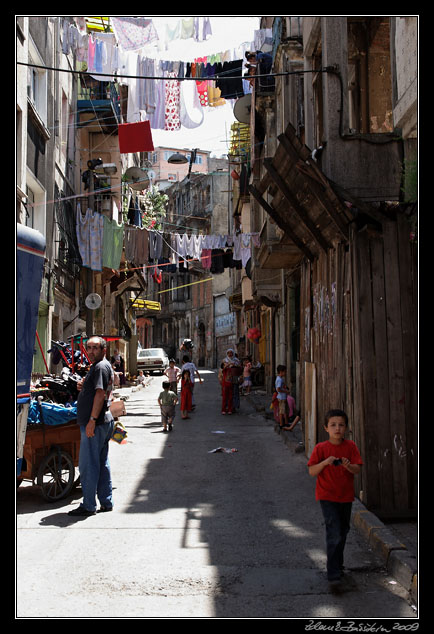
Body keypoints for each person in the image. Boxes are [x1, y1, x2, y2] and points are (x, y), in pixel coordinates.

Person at [307, 409, 363, 592]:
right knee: (334, 533)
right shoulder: (321, 448)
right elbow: (312, 471)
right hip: (327, 496)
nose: (337, 428)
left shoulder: (351, 447)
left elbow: (357, 469)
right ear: (326, 428)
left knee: (343, 531)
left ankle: (338, 565)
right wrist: (324, 463)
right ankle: (333, 576)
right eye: (333, 425)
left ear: (345, 428)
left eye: (340, 425)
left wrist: (348, 466)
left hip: (345, 497)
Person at [68, 336, 115, 517]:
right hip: (102, 421)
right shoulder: (98, 367)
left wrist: (92, 420)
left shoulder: (101, 366)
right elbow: (96, 389)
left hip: (97, 423)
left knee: (88, 465)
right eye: (89, 347)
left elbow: (100, 393)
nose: (91, 351)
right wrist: (84, 386)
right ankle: (106, 501)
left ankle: (88, 505)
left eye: (95, 348)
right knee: (101, 463)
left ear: (104, 349)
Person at [275, 365, 291, 430]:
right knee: (282, 411)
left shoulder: (281, 379)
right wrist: (285, 391)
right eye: (284, 372)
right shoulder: (279, 380)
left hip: (283, 397)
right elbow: (278, 389)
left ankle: (286, 423)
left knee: (285, 411)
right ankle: (281, 424)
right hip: (281, 398)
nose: (285, 373)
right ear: (281, 372)